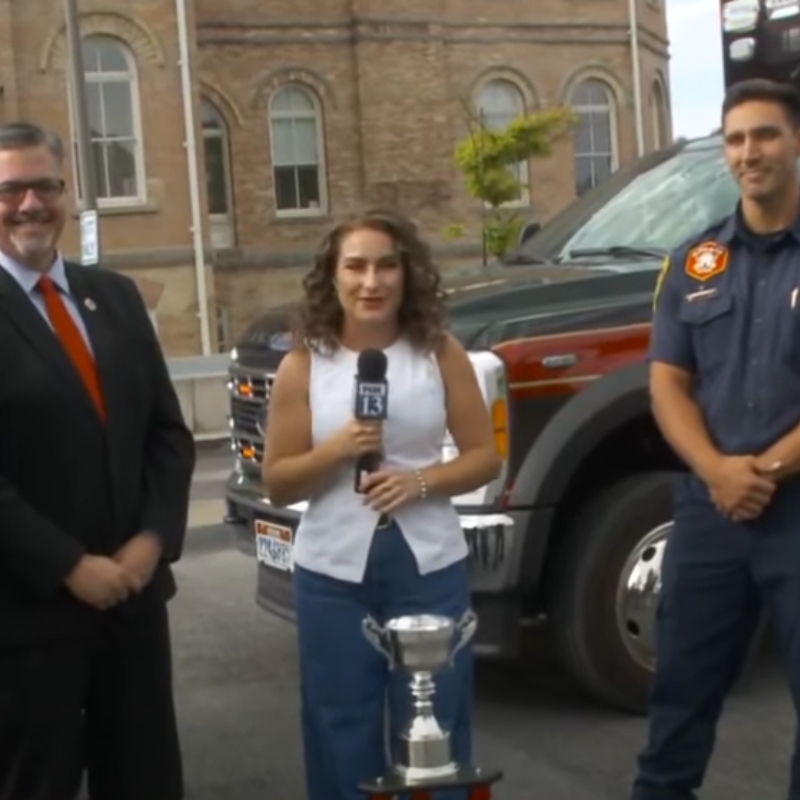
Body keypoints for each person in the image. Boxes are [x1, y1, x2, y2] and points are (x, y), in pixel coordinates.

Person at [262, 208, 502, 800]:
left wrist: (420, 483)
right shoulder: (302, 366)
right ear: (333, 277)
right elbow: (280, 483)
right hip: (333, 575)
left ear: (407, 274)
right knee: (339, 725)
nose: (372, 282)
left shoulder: (439, 353)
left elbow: (484, 457)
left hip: (427, 567)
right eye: (357, 266)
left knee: (438, 724)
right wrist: (338, 448)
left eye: (386, 266)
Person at [0, 121, 195, 800]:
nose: (30, 204)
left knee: (146, 781)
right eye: (11, 189)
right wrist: (69, 567)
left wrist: (150, 542)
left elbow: (167, 435)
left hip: (134, 613)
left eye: (44, 186)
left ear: (66, 190)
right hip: (26, 623)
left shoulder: (112, 297)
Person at [631, 78, 800, 799]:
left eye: (764, 135)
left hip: (795, 508)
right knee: (679, 699)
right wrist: (716, 471)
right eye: (735, 139)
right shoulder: (696, 261)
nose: (747, 153)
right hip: (711, 512)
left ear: (797, 142)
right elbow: (668, 381)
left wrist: (759, 469)